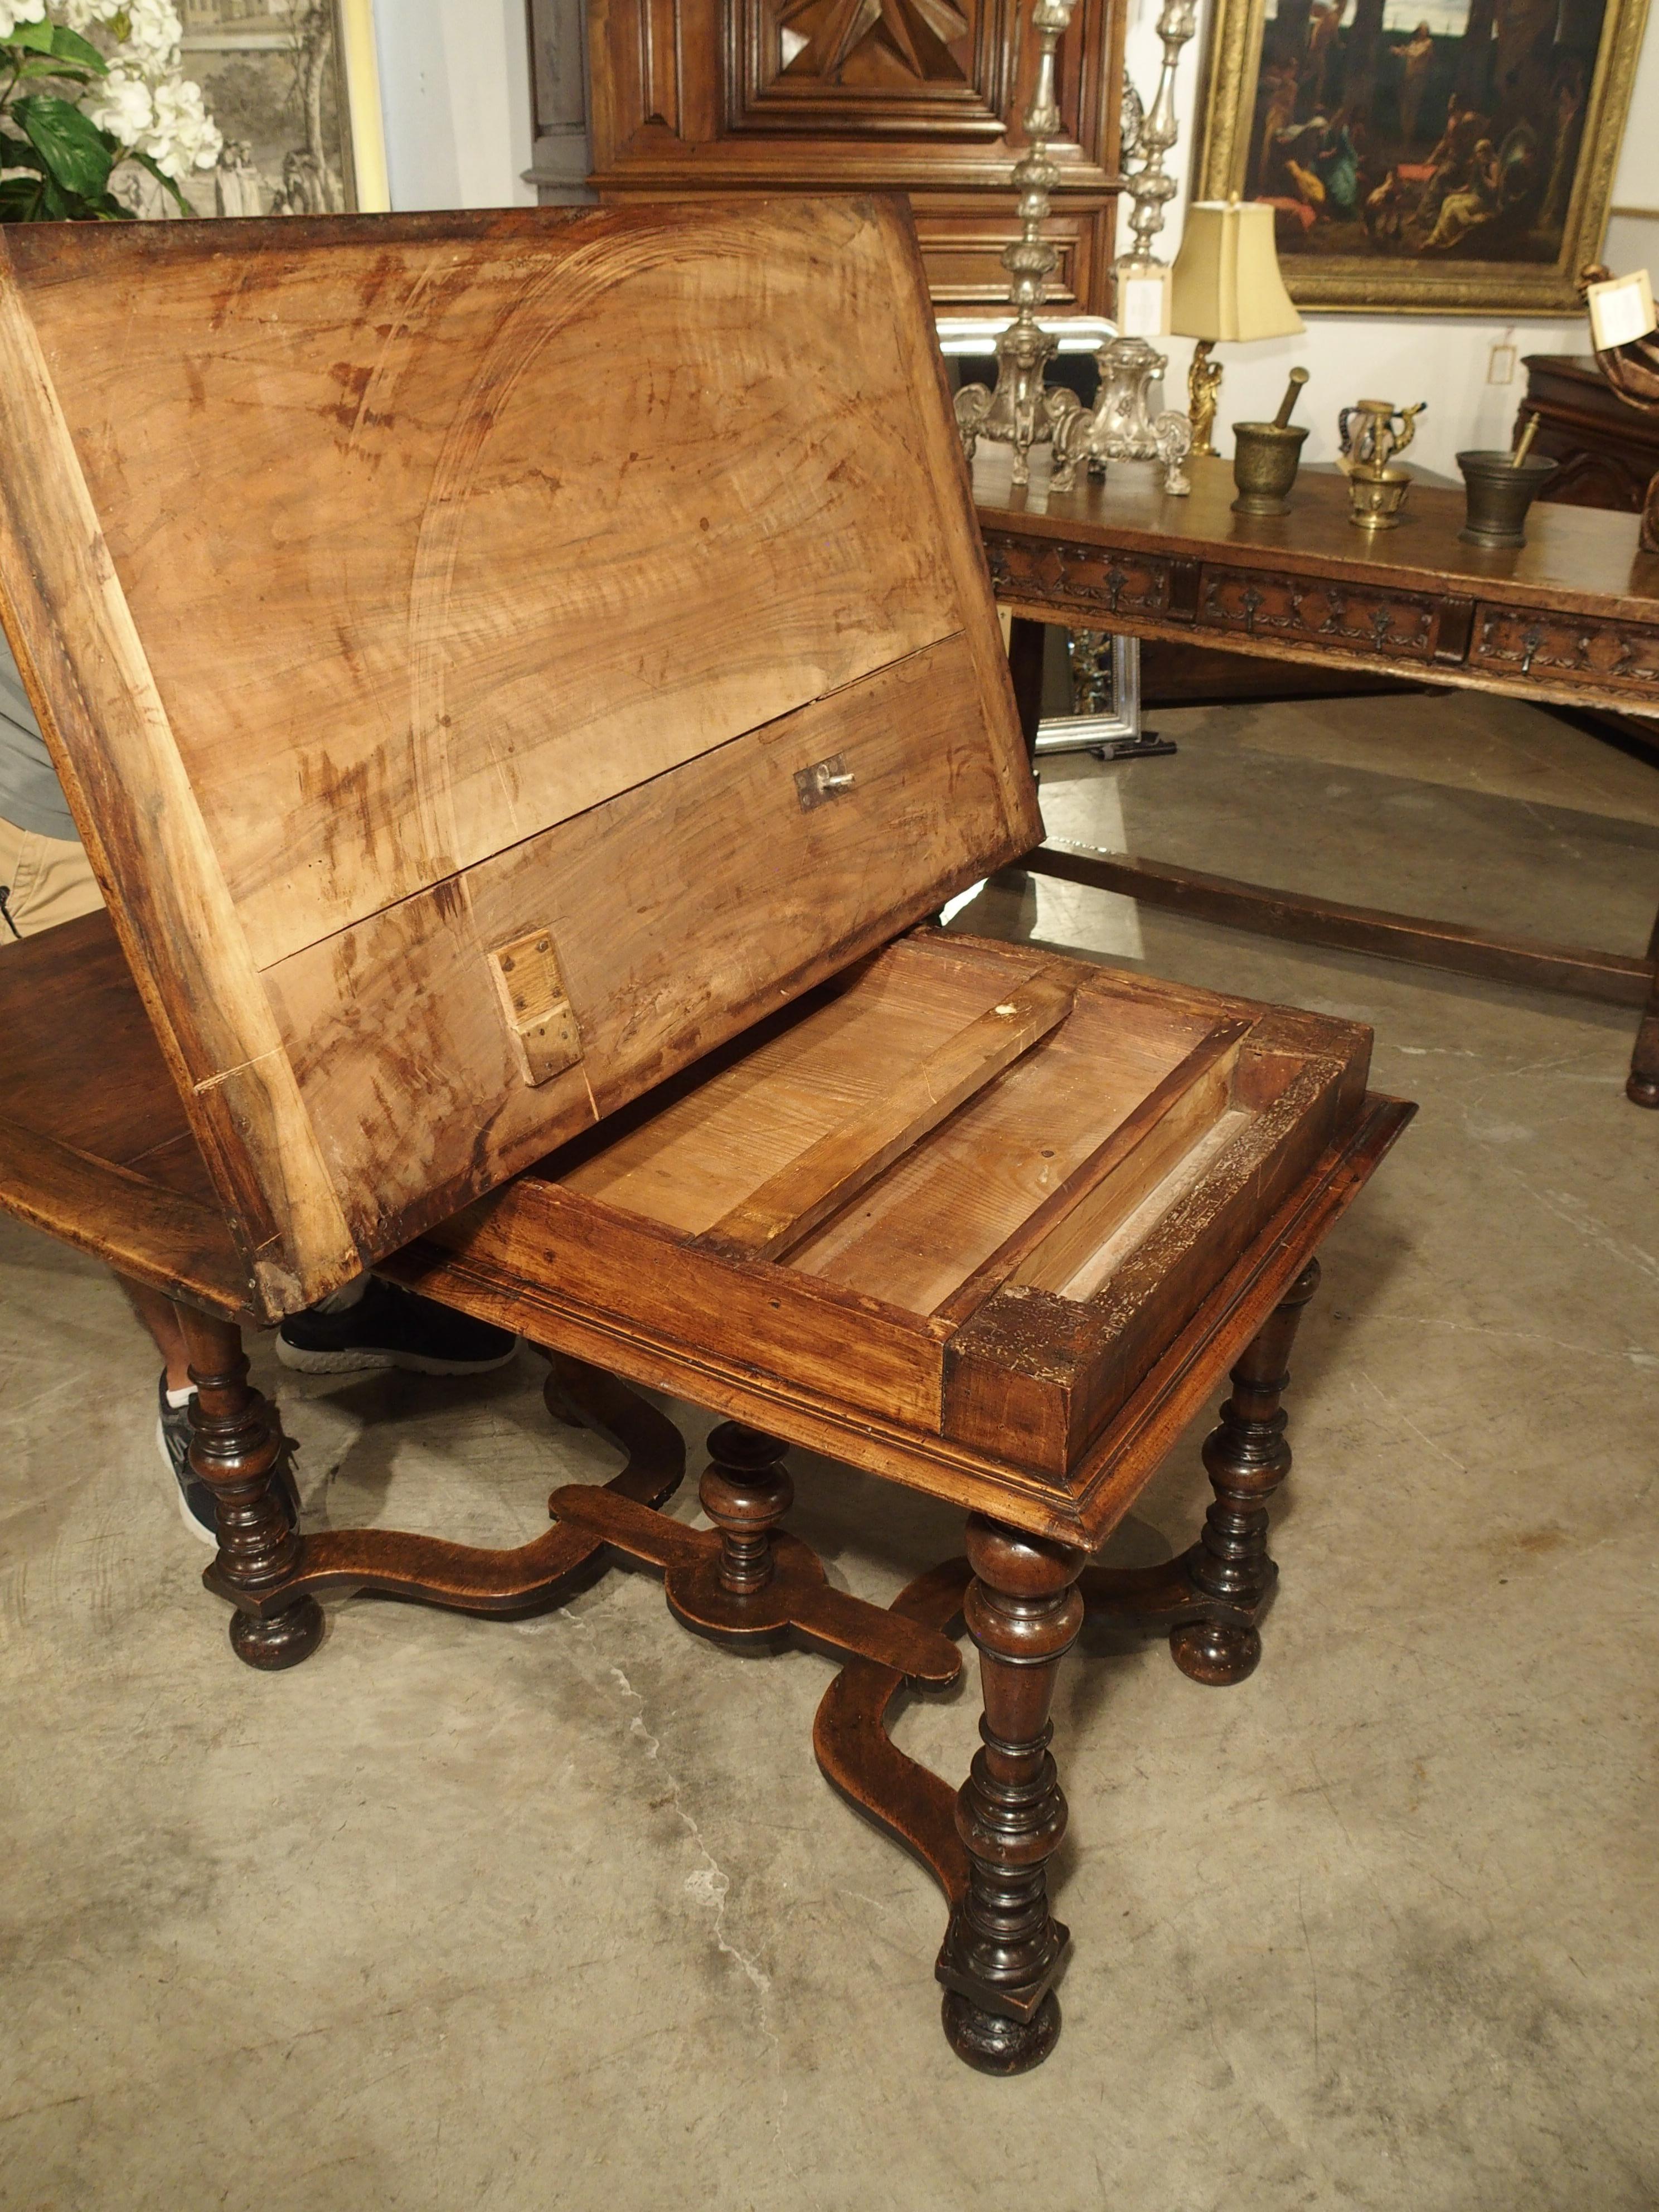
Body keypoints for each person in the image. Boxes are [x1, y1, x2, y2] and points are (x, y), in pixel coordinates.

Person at [0, 634, 519, 1544]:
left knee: (315, 1059)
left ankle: (332, 1314)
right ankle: (197, 1392)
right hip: (60, 824)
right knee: (145, 1148)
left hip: (224, 799)